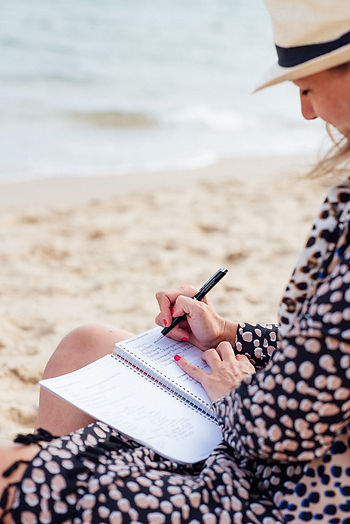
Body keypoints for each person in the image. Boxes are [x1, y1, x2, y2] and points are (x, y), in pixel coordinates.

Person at [1, 0, 350, 522]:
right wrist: (226, 333)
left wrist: (235, 390)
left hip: (298, 495)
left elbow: (284, 427)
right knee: (87, 345)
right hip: (292, 450)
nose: (306, 110)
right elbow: (330, 353)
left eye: (306, 85)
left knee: (11, 471)